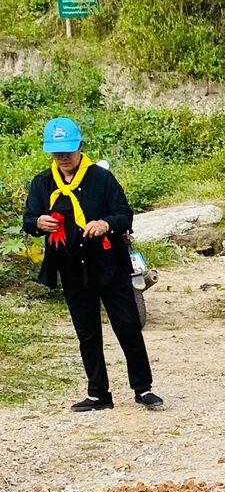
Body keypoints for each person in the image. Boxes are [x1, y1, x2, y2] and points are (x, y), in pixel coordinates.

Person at [23, 117, 163, 411]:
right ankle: (99, 394)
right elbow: (29, 221)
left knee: (127, 325)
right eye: (57, 152)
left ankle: (143, 389)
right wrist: (38, 222)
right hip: (71, 267)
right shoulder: (42, 183)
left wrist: (105, 224)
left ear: (80, 147)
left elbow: (124, 214)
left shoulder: (101, 179)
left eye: (68, 151)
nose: (62, 157)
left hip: (109, 264)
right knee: (87, 332)